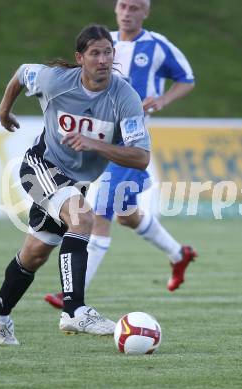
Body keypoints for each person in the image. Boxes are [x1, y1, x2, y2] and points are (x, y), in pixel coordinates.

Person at [0, 24, 151, 345]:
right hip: (40, 166)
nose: (102, 59)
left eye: (108, 52)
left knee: (35, 254)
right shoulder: (55, 80)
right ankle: (74, 310)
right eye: (95, 53)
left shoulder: (125, 96)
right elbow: (22, 73)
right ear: (80, 58)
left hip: (76, 182)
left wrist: (95, 144)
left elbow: (141, 157)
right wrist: (4, 110)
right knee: (83, 216)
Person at [45, 0, 197, 310]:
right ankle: (179, 254)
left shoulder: (157, 45)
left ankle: (72, 295)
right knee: (127, 216)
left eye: (135, 7)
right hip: (98, 137)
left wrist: (163, 99)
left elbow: (187, 79)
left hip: (128, 143)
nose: (128, 13)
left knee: (100, 216)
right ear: (116, 9)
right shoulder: (104, 45)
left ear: (146, 12)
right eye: (123, 6)